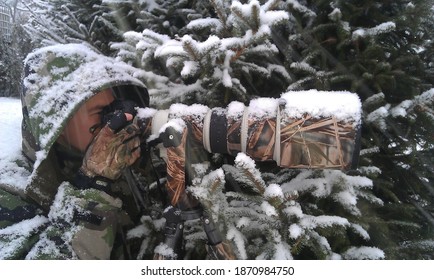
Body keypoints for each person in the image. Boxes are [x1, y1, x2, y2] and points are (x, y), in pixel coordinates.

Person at [0, 43, 151, 259]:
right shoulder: (9, 194)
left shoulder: (120, 156)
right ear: (57, 126)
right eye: (100, 112)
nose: (114, 121)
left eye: (115, 107)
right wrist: (93, 186)